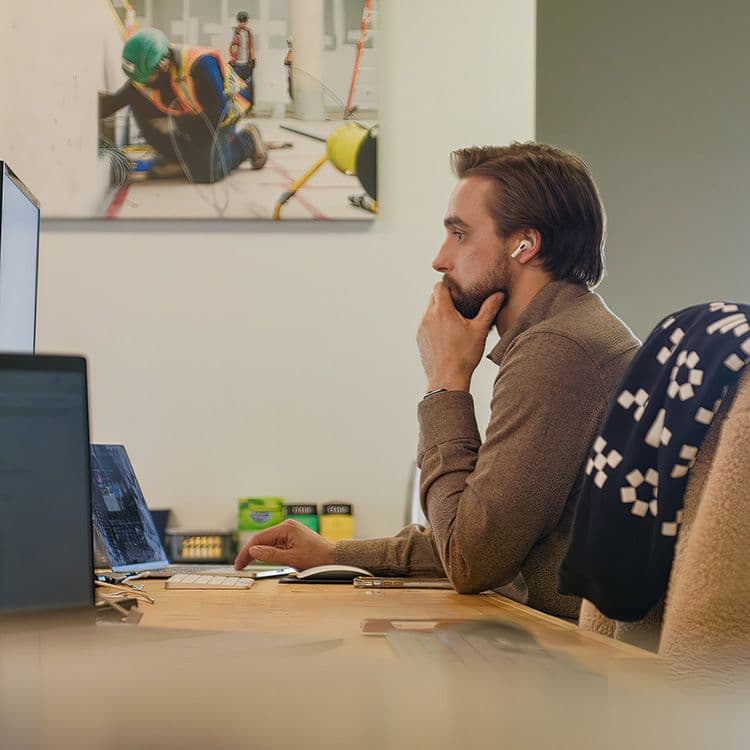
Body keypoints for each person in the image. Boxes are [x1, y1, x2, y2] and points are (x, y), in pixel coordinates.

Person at [234, 142, 640, 618]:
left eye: (460, 234)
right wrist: (334, 555)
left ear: (524, 244)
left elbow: (472, 558)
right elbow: (485, 535)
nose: (440, 259)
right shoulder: (568, 331)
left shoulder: (557, 349)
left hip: (572, 672)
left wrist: (445, 384)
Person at [100, 28, 266, 184]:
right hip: (193, 116)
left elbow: (218, 114)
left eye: (147, 79)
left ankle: (248, 140)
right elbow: (117, 101)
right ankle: (184, 162)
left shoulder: (201, 65)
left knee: (207, 173)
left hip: (223, 114)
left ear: (163, 65)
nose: (143, 84)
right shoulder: (144, 75)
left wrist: (177, 124)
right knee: (136, 98)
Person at [228, 11, 256, 106]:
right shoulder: (234, 32)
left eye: (244, 22)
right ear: (238, 21)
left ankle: (249, 105)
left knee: (248, 86)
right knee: (236, 86)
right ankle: (237, 105)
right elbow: (231, 49)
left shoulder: (249, 32)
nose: (242, 24)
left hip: (247, 63)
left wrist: (253, 59)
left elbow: (251, 46)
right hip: (237, 64)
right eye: (240, 21)